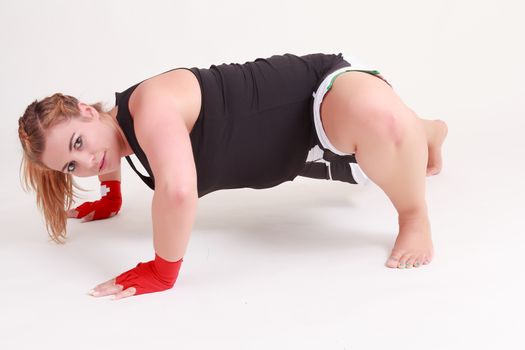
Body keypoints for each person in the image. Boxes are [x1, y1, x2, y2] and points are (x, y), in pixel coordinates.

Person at [17, 52, 448, 300]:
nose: (89, 161)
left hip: (320, 93)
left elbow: (180, 191)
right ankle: (429, 131)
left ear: (88, 111)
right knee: (388, 144)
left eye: (77, 143)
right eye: (71, 166)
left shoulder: (149, 108)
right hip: (305, 150)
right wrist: (111, 198)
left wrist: (162, 270)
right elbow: (107, 152)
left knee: (386, 126)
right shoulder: (118, 137)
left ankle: (414, 216)